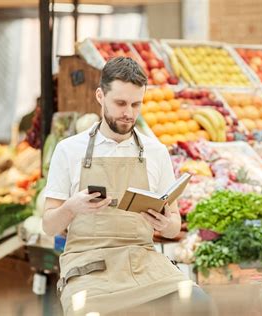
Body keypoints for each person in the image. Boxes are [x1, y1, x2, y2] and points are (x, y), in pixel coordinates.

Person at [43, 57, 212, 315]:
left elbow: (175, 223)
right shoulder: (68, 150)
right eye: (120, 103)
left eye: (136, 104)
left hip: (143, 261)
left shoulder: (156, 152)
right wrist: (71, 207)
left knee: (199, 304)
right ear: (100, 96)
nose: (129, 113)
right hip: (89, 266)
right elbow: (49, 225)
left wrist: (166, 224)